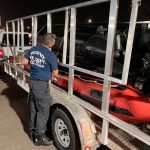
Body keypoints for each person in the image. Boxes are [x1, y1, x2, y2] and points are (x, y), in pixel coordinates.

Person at [21, 33, 58, 146]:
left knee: (34, 108)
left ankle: (32, 131)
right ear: (51, 43)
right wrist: (51, 64)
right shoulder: (50, 54)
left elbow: (24, 62)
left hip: (32, 83)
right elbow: (55, 74)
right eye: (54, 41)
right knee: (43, 110)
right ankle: (39, 137)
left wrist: (34, 68)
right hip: (41, 86)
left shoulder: (33, 49)